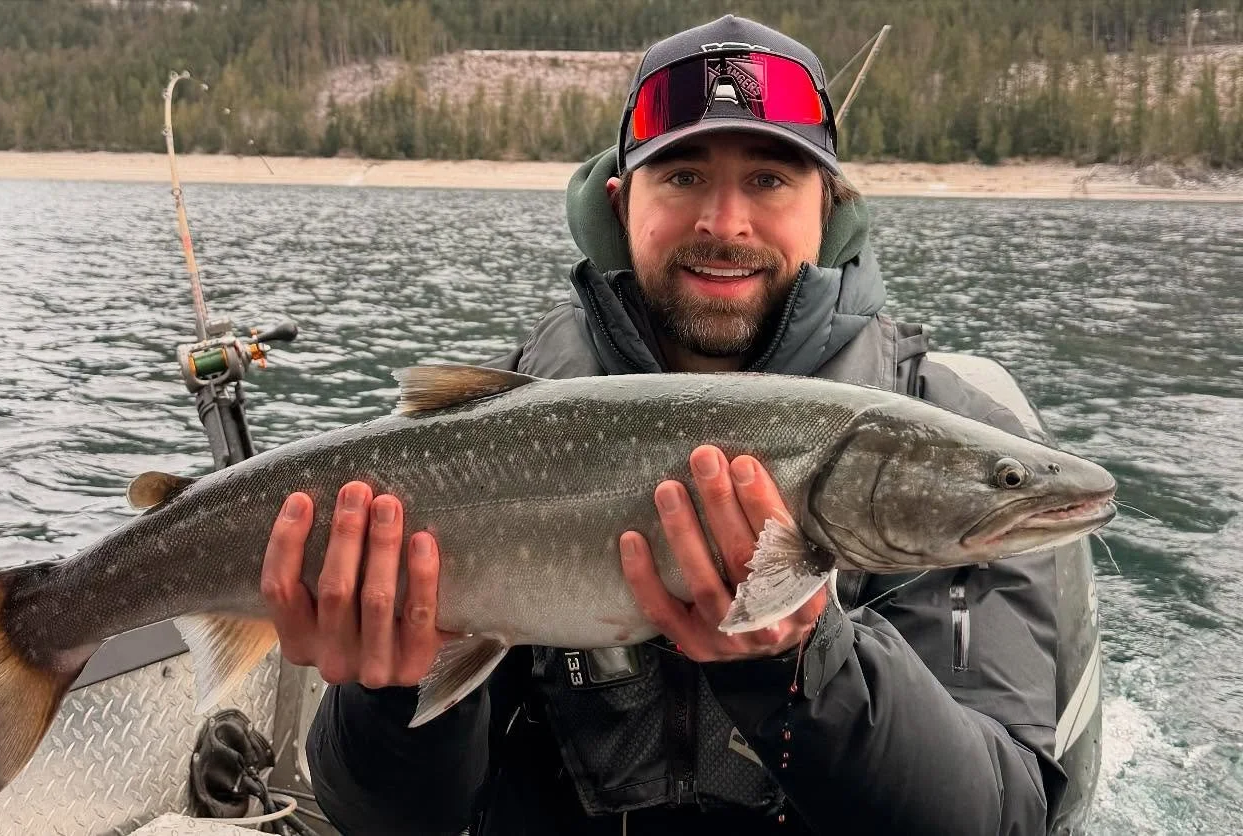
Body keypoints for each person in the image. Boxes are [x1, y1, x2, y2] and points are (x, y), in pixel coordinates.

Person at [260, 15, 1068, 835]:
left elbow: (1002, 817)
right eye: (681, 177)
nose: (724, 222)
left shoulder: (948, 440)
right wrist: (387, 690)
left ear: (831, 206)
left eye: (770, 179)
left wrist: (807, 664)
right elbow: (391, 823)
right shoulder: (496, 426)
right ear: (621, 202)